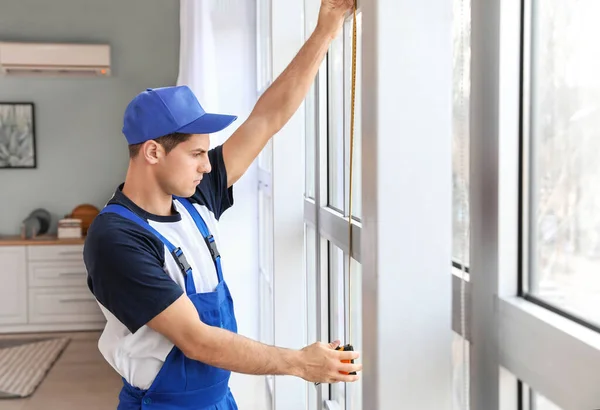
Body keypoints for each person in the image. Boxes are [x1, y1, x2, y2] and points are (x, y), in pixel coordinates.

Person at [83, 0, 361, 409]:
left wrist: (327, 27)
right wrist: (300, 363)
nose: (206, 164)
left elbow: (266, 119)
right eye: (196, 153)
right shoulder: (116, 238)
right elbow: (196, 341)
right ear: (153, 152)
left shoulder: (193, 197)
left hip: (217, 399)